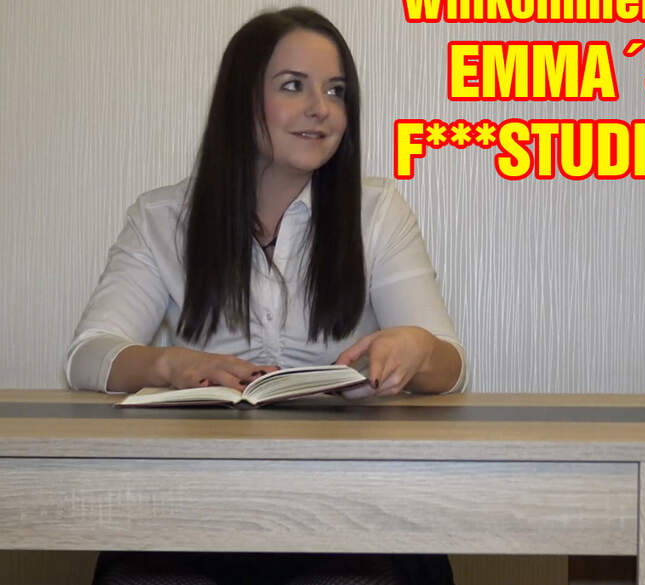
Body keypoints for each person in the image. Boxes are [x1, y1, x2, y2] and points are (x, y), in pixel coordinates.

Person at [66, 6, 465, 585]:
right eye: (293, 86)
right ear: (240, 101)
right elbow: (87, 356)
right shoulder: (161, 219)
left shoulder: (378, 213)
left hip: (350, 503)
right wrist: (171, 364)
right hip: (198, 502)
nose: (320, 108)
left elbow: (451, 369)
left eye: (335, 91)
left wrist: (418, 349)